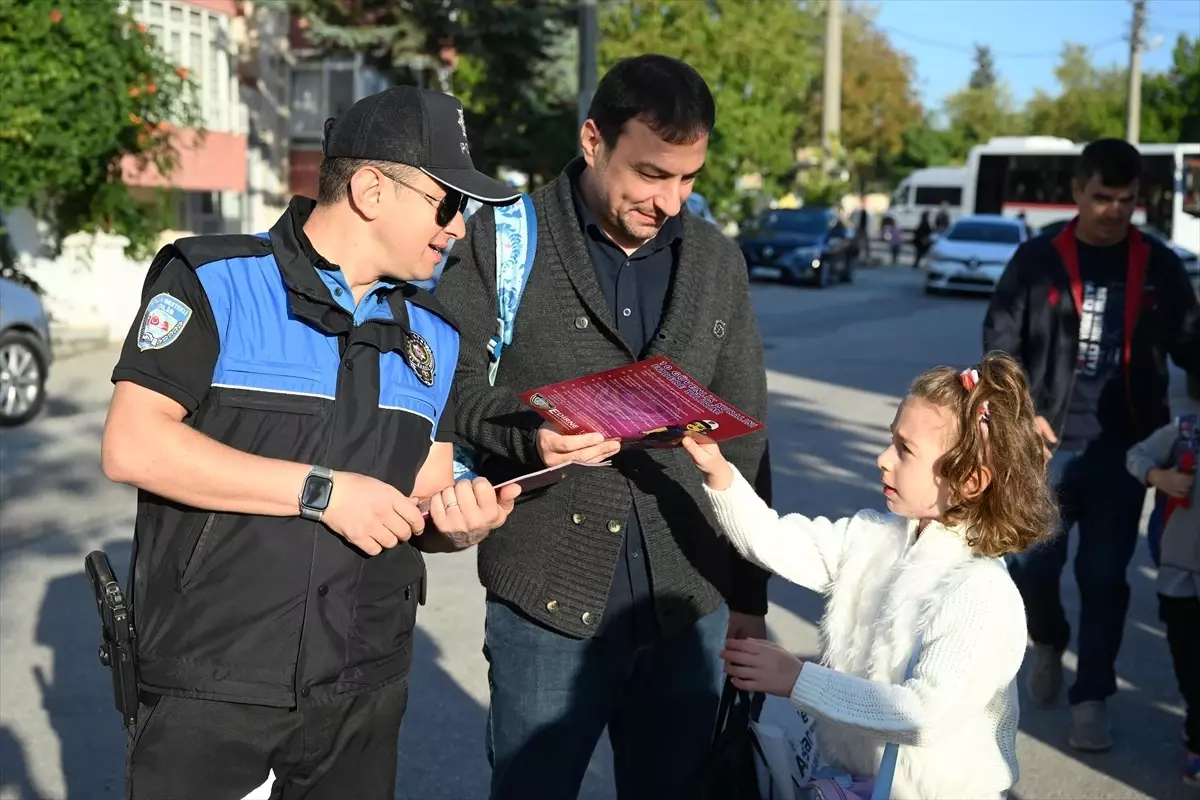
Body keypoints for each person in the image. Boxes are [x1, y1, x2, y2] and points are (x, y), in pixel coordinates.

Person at [101, 86, 523, 799]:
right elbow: (133, 445)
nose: (459, 228)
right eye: (449, 204)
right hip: (215, 684)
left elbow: (423, 492)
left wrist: (458, 526)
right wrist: (320, 492)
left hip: (362, 690)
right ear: (370, 189)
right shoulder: (213, 281)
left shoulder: (436, 337)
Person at [433, 54, 772, 799]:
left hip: (690, 600)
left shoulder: (717, 262)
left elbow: (746, 441)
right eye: (652, 174)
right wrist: (528, 433)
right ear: (593, 140)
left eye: (689, 179)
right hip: (546, 598)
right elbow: (443, 390)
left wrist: (751, 600)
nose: (672, 202)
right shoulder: (503, 242)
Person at [681, 352, 1057, 800]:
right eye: (890, 441)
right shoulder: (872, 537)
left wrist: (798, 679)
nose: (883, 458)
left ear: (970, 482)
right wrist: (721, 475)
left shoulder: (981, 593)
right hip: (856, 785)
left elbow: (923, 713)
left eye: (905, 450)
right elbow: (778, 541)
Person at [983, 137, 1200, 751]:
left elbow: (1191, 343)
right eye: (1101, 196)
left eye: (1125, 200)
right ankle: (1048, 637)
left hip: (1125, 449)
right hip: (1044, 445)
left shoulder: (1158, 263)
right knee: (1032, 565)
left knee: (1104, 575)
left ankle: (1093, 696)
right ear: (1078, 192)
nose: (1112, 209)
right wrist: (1021, 413)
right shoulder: (1036, 259)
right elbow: (1000, 344)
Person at [1125, 416, 1199, 786]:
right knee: (1187, 659)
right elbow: (1136, 455)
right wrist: (1159, 477)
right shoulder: (1186, 432)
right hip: (1178, 576)